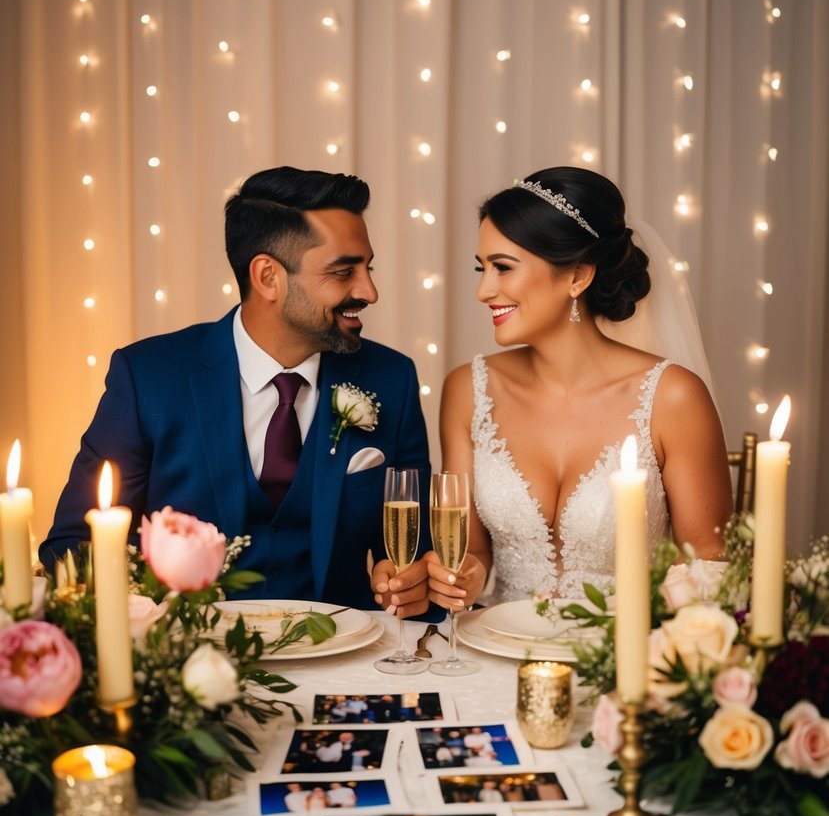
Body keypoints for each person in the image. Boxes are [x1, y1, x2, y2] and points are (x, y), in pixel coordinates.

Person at [40, 167, 432, 616]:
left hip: (346, 659)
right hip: (192, 662)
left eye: (368, 268)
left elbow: (415, 555)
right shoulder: (148, 377)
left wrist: (405, 580)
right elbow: (72, 545)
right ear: (267, 277)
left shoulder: (392, 379)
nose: (369, 291)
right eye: (344, 272)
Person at [428, 166, 733, 609]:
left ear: (577, 276)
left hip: (619, 660)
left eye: (502, 268)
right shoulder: (467, 389)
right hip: (495, 647)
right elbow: (471, 552)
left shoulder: (672, 397)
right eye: (482, 268)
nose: (483, 290)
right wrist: (464, 574)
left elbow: (707, 567)